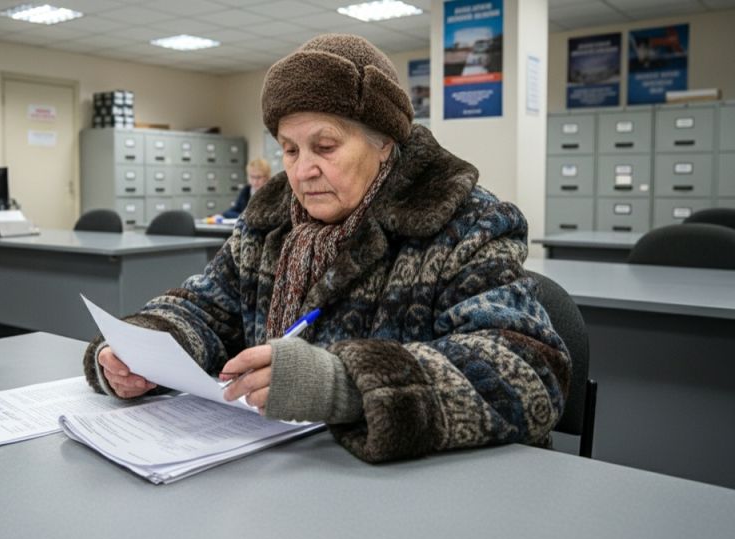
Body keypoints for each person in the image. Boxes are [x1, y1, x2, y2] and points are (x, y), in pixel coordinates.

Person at [84, 34, 571, 463]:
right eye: (290, 150)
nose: (302, 171)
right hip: (285, 473)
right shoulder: (268, 224)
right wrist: (138, 349)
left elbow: (528, 376)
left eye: (326, 146)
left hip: (417, 497)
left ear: (385, 144)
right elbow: (207, 306)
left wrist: (345, 383)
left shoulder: (464, 222)